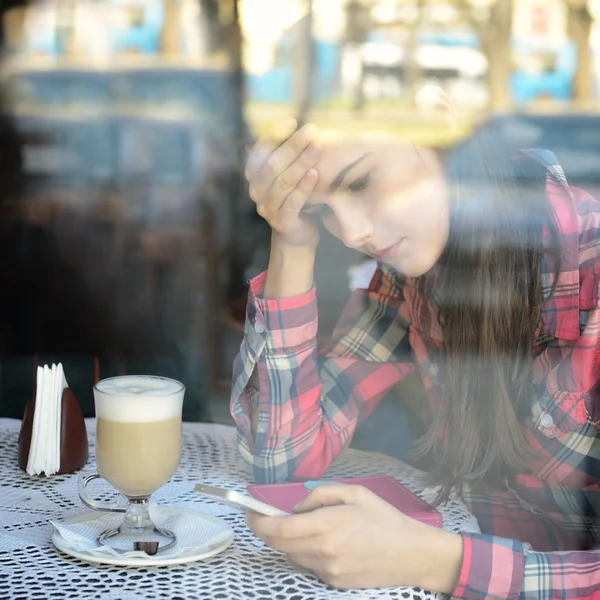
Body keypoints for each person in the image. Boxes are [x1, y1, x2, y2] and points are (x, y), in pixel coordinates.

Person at [230, 118, 600, 598]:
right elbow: (282, 461)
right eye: (322, 211)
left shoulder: (588, 268)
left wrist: (434, 560)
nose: (352, 232)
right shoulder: (415, 277)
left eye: (362, 182)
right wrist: (293, 241)